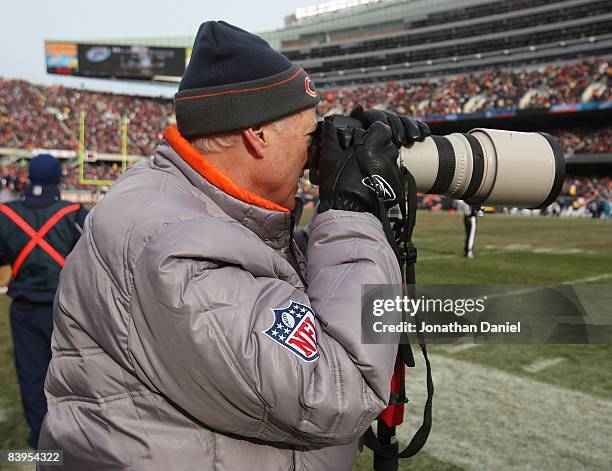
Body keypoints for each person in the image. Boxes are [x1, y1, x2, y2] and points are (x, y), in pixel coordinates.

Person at [39, 22, 428, 470]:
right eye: (309, 137)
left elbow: (265, 286)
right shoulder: (175, 247)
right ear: (256, 134)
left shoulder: (190, 211)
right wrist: (352, 217)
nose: (313, 154)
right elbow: (339, 390)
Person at [0, 154, 87, 448]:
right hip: (64, 308)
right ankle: (72, 436)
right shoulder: (74, 213)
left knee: (31, 375)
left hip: (24, 308)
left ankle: (40, 440)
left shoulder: (6, 213)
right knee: (71, 373)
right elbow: (89, 259)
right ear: (57, 180)